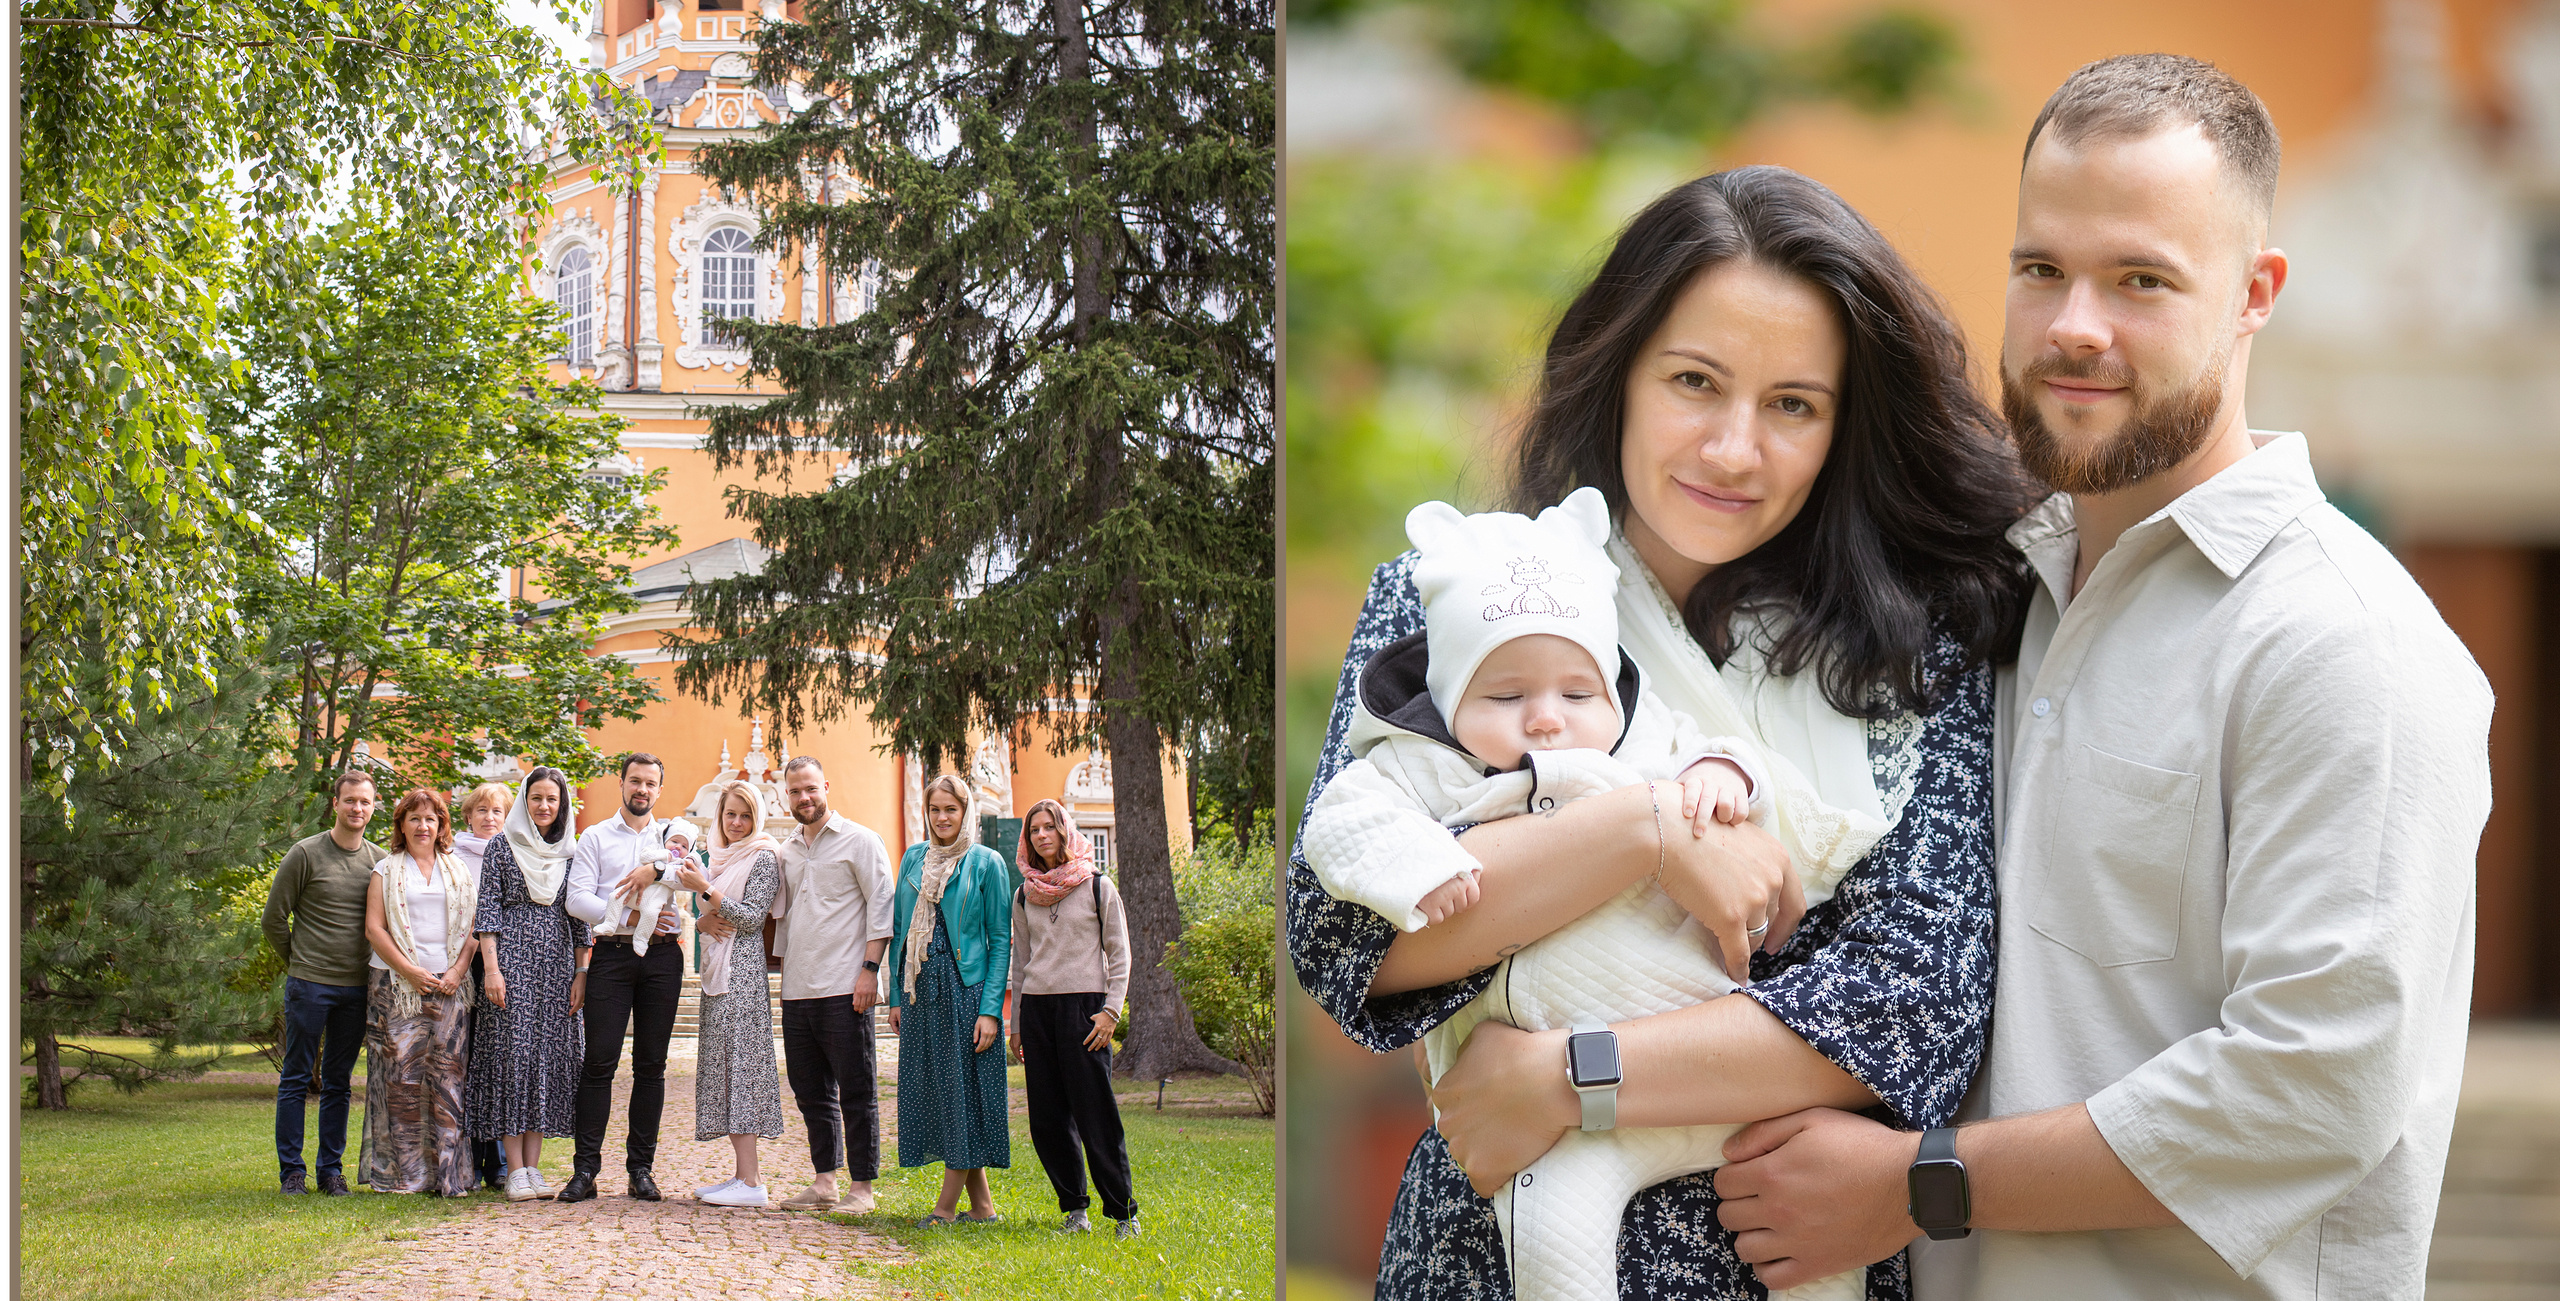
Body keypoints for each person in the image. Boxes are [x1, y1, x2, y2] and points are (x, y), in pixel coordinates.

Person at [1709, 56, 2496, 1301]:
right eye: (2041, 271)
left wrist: (1919, 1180)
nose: (2076, 324)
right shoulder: (1987, 593)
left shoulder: (2344, 644)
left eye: (2140, 279)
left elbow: (2311, 1085)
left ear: (2253, 294)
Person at [1287, 164, 2041, 1298]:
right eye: (1695, 381)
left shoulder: (1909, 653)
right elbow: (1349, 933)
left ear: (1843, 425)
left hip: (1772, 1255)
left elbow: (1911, 1006)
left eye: (1792, 403)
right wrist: (1644, 829)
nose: (1734, 449)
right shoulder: (1459, 591)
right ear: (1620, 375)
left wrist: (1564, 1075)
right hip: (1485, 1257)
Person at [1304, 487, 1885, 1301]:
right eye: (1505, 696)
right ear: (1448, 699)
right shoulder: (1423, 766)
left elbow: (1725, 757)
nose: (1547, 720)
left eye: (1578, 694)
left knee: (1813, 1234)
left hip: (1714, 1066)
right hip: (1560, 1126)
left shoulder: (1644, 741)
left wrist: (1721, 778)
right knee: (1553, 1232)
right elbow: (1339, 828)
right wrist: (1416, 871)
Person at [744, 755, 895, 1214]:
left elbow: (881, 907)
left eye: (810, 789)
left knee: (856, 1089)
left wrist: (870, 972)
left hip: (846, 986)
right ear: (785, 796)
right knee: (810, 1091)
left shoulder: (861, 841)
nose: (804, 798)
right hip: (797, 989)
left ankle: (863, 1188)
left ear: (825, 786)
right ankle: (825, 1181)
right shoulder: (784, 850)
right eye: (795, 792)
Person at [1006, 797, 1140, 1239]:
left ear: (1065, 830)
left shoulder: (1099, 886)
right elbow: (1020, 961)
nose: (1042, 836)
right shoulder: (1025, 894)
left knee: (1095, 1112)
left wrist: (1110, 1012)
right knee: (1046, 1118)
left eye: (1049, 827)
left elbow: (1120, 955)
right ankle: (1074, 1210)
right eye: (1034, 831)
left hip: (1086, 1010)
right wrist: (1017, 1023)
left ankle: (1123, 1214)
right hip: (1039, 1011)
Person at [885, 773, 1015, 1225]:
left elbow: (1001, 941)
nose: (942, 818)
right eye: (935, 809)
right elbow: (901, 930)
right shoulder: (913, 858)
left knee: (962, 1095)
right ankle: (982, 1208)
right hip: (921, 989)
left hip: (966, 991)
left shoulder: (987, 862)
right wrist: (897, 995)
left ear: (966, 812)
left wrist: (991, 1012)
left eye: (951, 809)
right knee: (943, 1094)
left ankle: (944, 1210)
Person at [557, 752, 687, 1203]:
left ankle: (641, 1170)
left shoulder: (673, 836)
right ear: (622, 783)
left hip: (662, 959)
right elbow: (577, 900)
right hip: (611, 957)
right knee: (599, 1063)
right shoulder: (594, 836)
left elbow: (693, 875)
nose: (642, 790)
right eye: (635, 781)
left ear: (659, 789)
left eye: (651, 784)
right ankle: (585, 1171)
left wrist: (656, 869)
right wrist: (630, 911)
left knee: (651, 1066)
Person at [262, 770, 389, 1196]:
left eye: (365, 802)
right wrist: (299, 962)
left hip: (357, 988)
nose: (357, 808)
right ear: (334, 803)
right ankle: (291, 1173)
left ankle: (330, 1172)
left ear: (374, 807)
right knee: (296, 1078)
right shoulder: (305, 854)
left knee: (339, 1082)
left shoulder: (379, 861)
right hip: (310, 985)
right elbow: (273, 919)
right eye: (349, 800)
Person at [468, 767, 589, 1203]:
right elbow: (488, 912)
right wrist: (493, 970)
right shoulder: (502, 846)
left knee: (545, 1060)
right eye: (536, 797)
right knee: (512, 1060)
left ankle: (534, 1169)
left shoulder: (571, 852)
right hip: (512, 965)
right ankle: (513, 1169)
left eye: (551, 799)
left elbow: (579, 920)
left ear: (562, 805)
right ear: (524, 800)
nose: (543, 806)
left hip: (557, 968)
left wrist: (581, 973)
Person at [358, 788, 481, 1197]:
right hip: (396, 987)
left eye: (431, 819)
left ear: (442, 825)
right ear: (401, 825)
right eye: (414, 818)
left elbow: (474, 930)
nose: (423, 826)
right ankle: (406, 1175)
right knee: (402, 1080)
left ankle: (449, 1175)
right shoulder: (385, 870)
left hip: (450, 987)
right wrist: (410, 971)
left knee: (449, 1079)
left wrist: (458, 970)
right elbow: (375, 928)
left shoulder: (459, 870)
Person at [678, 780, 786, 1207]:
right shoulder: (715, 857)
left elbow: (751, 919)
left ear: (756, 818)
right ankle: (744, 1175)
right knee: (725, 1069)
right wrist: (702, 919)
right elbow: (700, 912)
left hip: (742, 976)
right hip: (717, 974)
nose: (737, 823)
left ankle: (752, 1181)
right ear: (719, 817)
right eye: (730, 815)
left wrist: (704, 891)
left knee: (742, 1070)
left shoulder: (763, 856)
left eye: (745, 815)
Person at [451, 781, 514, 1192]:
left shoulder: (514, 855)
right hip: (460, 966)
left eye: (498, 812)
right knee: (466, 1060)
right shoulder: (451, 858)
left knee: (499, 1060)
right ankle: (471, 1157)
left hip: (503, 968)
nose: (489, 818)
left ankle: (502, 1161)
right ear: (468, 816)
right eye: (482, 810)